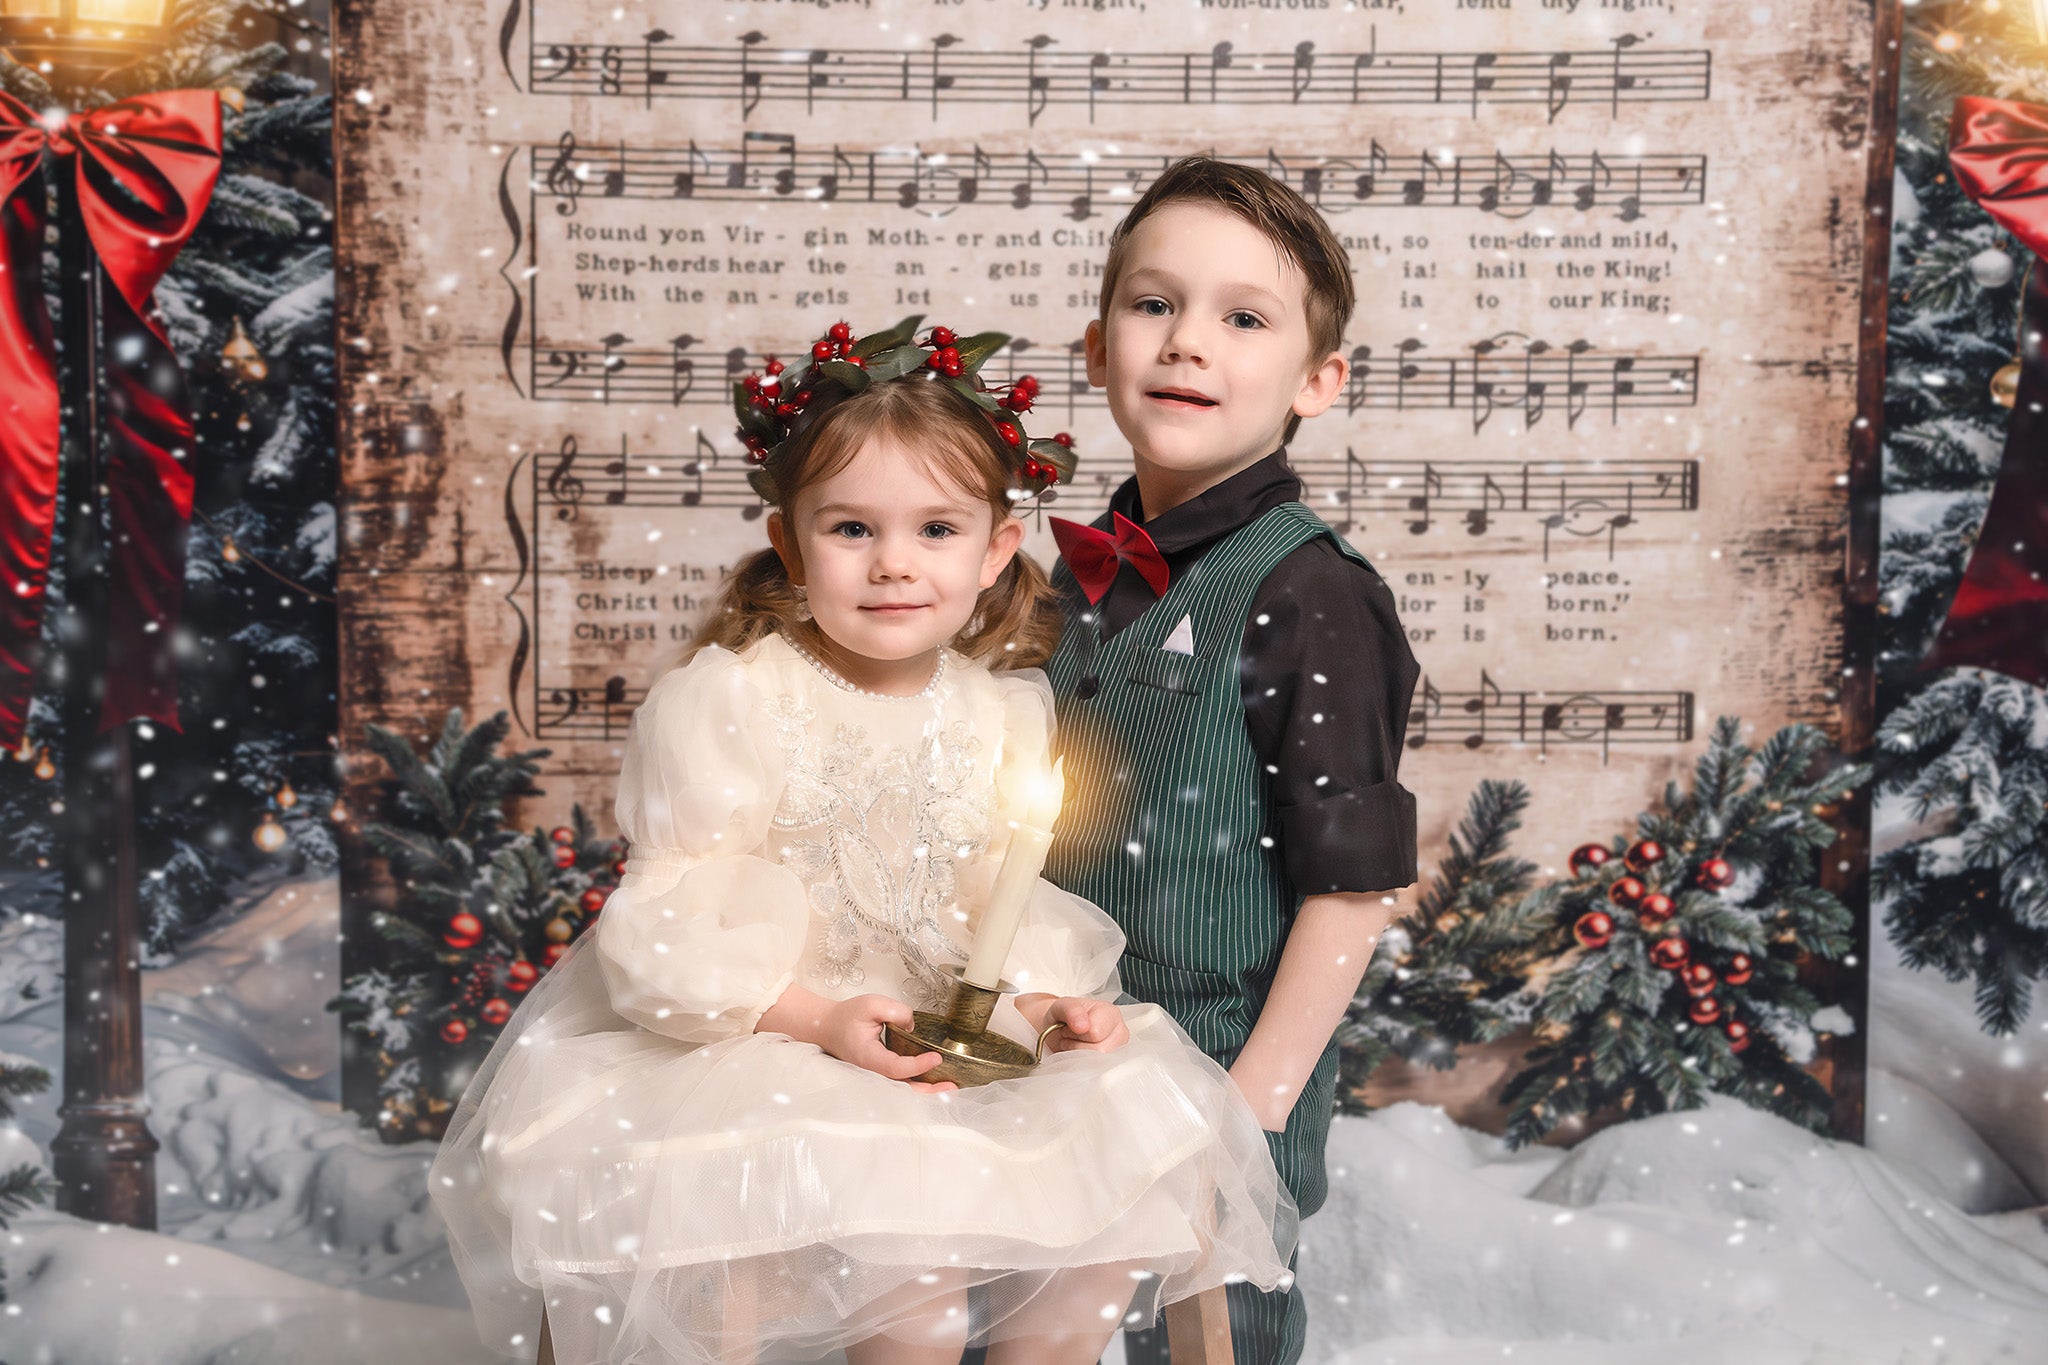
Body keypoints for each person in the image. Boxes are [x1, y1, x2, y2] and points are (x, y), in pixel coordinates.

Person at [429, 316, 1296, 1365]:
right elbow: (665, 924)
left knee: (1113, 1188)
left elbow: (988, 905)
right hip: (769, 1042)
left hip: (924, 1042)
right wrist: (814, 1018)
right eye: (851, 530)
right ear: (789, 542)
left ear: (993, 553)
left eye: (936, 531)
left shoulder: (994, 713)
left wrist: (1033, 1007)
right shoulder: (732, 702)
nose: (893, 565)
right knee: (917, 1305)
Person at [1042, 156, 1423, 1365]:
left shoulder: (1310, 593)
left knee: (1206, 1333)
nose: (1184, 343)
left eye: (1241, 318)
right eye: (1152, 305)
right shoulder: (1069, 571)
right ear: (1096, 348)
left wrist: (1243, 1114)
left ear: (1317, 380)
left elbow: (1349, 887)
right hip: (1050, 1058)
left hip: (1209, 1073)